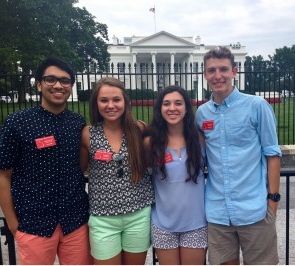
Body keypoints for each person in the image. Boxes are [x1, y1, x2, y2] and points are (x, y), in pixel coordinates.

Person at [0, 56, 93, 265]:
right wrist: (13, 223)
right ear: (39, 84)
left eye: (65, 81)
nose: (58, 85)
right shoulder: (17, 122)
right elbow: (2, 174)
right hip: (34, 223)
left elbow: (81, 165)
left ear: (70, 86)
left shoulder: (77, 123)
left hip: (74, 221)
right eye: (51, 79)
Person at [196, 46, 282, 265]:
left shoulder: (257, 106)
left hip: (254, 210)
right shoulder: (202, 113)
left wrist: (272, 201)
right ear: (205, 75)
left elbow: (272, 154)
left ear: (234, 71)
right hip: (217, 214)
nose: (218, 76)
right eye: (212, 70)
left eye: (223, 69)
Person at [80, 77, 154, 265]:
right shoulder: (88, 134)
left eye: (116, 100)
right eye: (104, 100)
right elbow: (81, 168)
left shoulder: (139, 129)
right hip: (103, 218)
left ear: (125, 102)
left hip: (138, 213)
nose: (110, 105)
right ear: (96, 103)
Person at [143, 85, 207, 265]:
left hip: (196, 224)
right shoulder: (151, 143)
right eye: (166, 104)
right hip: (163, 224)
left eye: (178, 103)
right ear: (160, 109)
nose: (172, 108)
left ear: (186, 108)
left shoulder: (200, 139)